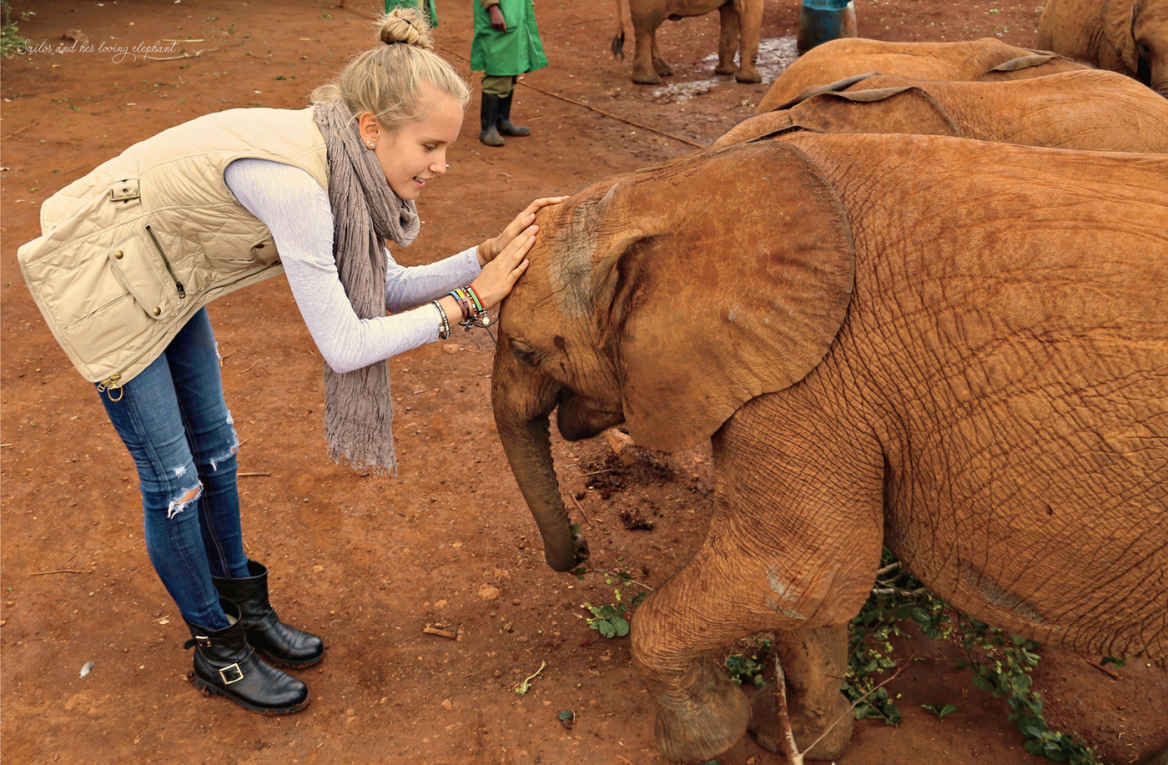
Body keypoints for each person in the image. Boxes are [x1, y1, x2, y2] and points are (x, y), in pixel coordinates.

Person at [16, 9, 564, 715]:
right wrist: (467, 303)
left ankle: (241, 603)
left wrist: (487, 253)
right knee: (175, 480)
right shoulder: (301, 187)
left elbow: (384, 284)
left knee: (217, 449)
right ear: (372, 128)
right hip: (108, 281)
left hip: (172, 274)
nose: (442, 164)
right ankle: (218, 648)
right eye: (429, 145)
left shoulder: (343, 161)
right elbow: (344, 342)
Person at [470, 0, 548, 146]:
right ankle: (488, 129)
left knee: (511, 68)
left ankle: (502, 121)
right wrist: (492, 8)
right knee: (498, 70)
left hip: (512, 12)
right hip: (498, 13)